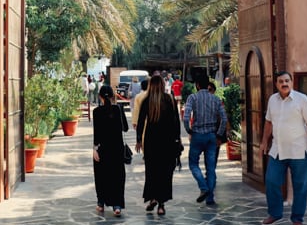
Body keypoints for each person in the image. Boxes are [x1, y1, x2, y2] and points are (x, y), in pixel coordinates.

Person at [259, 71, 307, 225]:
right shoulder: (273, 100)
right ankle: (275, 214)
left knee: (300, 185)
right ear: (276, 84)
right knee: (271, 181)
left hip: (298, 151)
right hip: (277, 150)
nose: (284, 84)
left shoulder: (301, 99)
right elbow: (268, 123)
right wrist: (264, 141)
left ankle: (297, 218)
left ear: (292, 83)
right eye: (281, 81)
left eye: (287, 80)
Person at [135, 75, 181, 215]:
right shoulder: (169, 100)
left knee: (152, 172)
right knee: (165, 173)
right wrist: (177, 140)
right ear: (162, 85)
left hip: (151, 142)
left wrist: (138, 140)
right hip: (167, 142)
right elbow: (176, 122)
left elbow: (141, 122)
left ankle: (152, 198)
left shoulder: (146, 101)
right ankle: (161, 205)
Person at [182, 75, 227, 206]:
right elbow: (224, 119)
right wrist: (219, 134)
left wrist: (189, 130)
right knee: (211, 168)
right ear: (208, 85)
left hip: (197, 135)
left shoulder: (192, 98)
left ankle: (203, 187)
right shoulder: (216, 99)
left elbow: (186, 117)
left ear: (197, 85)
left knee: (193, 164)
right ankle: (210, 198)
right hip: (212, 136)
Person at [93, 85, 128, 216]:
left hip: (103, 148)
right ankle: (117, 205)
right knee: (117, 176)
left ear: (100, 97)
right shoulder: (118, 109)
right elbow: (125, 128)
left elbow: (97, 133)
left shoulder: (96, 112)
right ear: (113, 96)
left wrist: (95, 149)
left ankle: (101, 203)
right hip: (117, 148)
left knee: (101, 175)